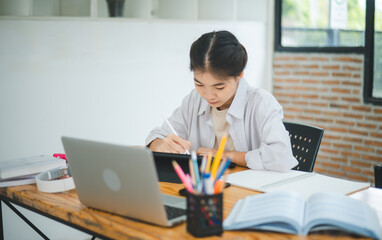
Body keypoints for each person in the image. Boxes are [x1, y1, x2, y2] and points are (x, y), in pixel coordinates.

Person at [146, 30, 297, 172]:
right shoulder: (195, 99)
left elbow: (281, 156)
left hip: (249, 190)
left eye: (219, 87)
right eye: (199, 84)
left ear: (239, 75)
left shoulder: (261, 103)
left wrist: (223, 155)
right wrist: (160, 144)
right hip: (204, 186)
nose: (208, 95)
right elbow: (158, 135)